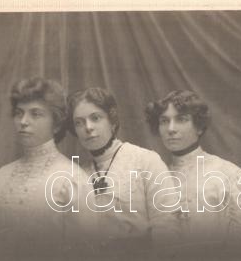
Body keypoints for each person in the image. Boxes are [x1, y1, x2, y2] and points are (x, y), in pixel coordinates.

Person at [0, 77, 94, 255]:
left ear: (56, 124)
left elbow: (85, 255)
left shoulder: (72, 179)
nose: (23, 121)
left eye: (35, 114)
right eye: (19, 113)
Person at [69, 86, 183, 252]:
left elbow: (167, 225)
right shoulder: (78, 174)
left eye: (95, 118)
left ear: (112, 121)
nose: (88, 127)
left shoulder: (145, 161)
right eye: (79, 123)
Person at [145, 90, 241, 251]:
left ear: (199, 127)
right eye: (164, 121)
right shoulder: (155, 180)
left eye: (181, 119)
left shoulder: (229, 174)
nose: (171, 129)